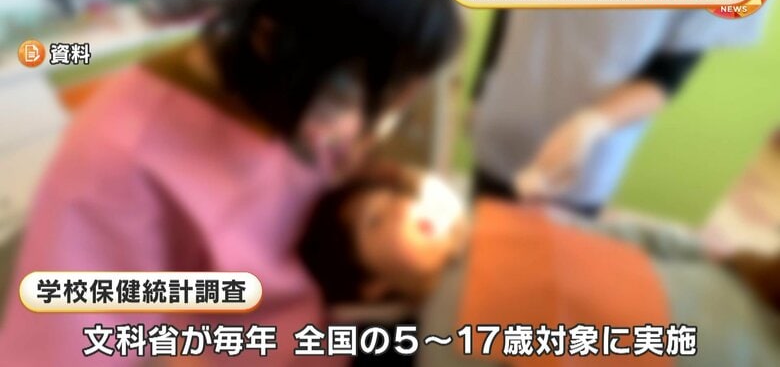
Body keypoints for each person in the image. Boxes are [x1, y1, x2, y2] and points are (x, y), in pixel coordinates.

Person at [0, 0, 458, 365]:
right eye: (354, 94)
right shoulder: (120, 164)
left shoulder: (289, 89)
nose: (357, 129)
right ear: (271, 41)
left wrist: (386, 208)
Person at [300, 164, 780, 366]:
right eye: (376, 221)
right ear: (372, 286)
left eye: (404, 197)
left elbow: (609, 235)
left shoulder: (497, 219)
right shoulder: (441, 347)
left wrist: (695, 250)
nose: (406, 210)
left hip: (725, 289)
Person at [472, 0, 780, 216]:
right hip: (508, 108)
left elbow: (669, 72)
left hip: (590, 150)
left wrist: (590, 125)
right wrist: (480, 86)